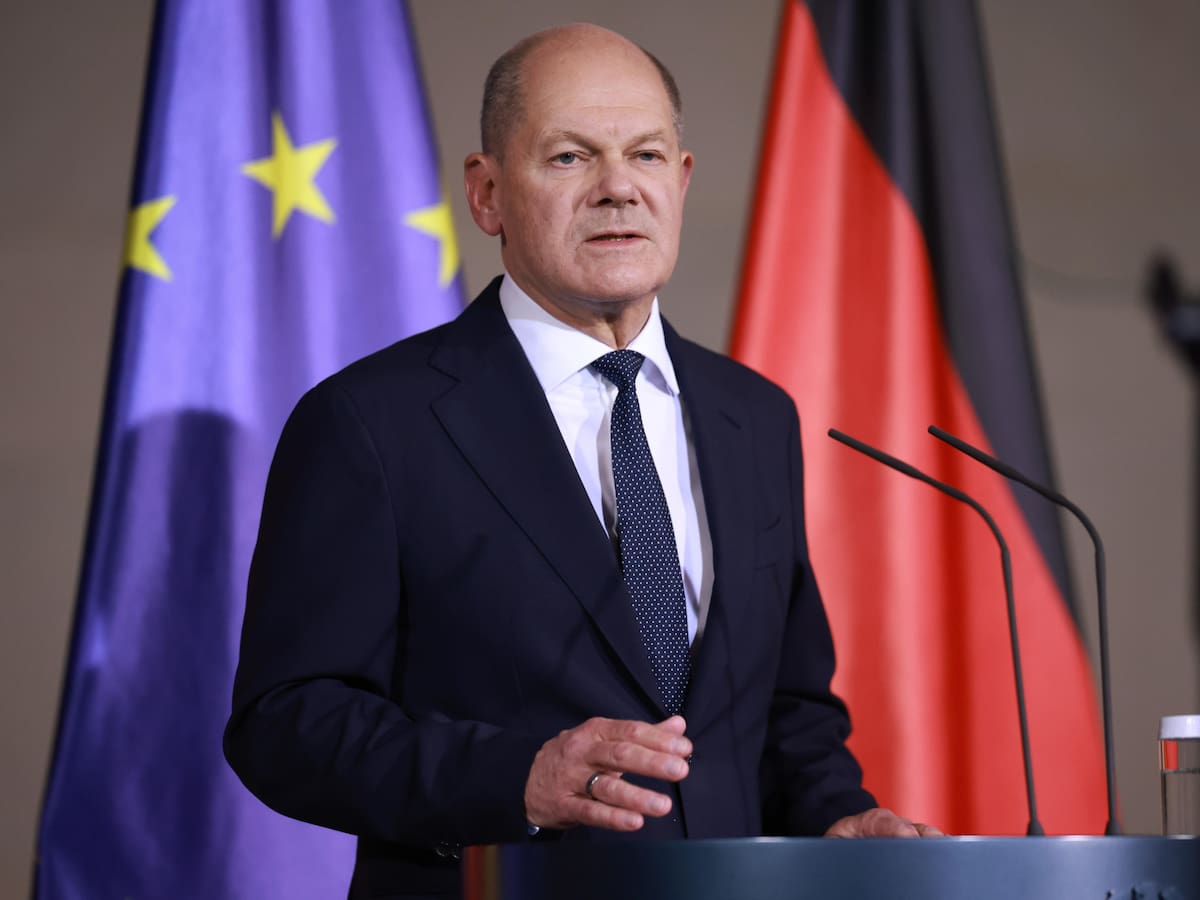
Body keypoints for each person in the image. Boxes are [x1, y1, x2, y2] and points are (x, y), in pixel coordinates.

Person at [224, 22, 938, 900]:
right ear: (487, 194)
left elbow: (785, 708)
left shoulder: (753, 416)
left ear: (681, 181)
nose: (618, 189)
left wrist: (836, 814)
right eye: (569, 157)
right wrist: (512, 779)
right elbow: (285, 722)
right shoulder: (373, 422)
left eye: (646, 155)